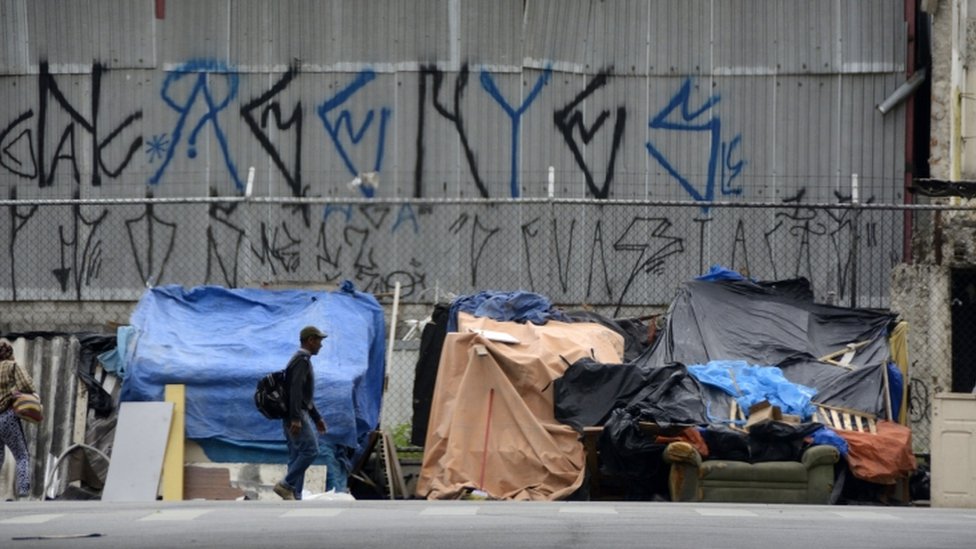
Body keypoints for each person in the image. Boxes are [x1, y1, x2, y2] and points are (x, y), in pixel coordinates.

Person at [273, 326, 328, 500]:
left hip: (294, 413)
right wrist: (296, 418)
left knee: (297, 454)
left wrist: (317, 418)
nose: (321, 345)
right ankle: (286, 485)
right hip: (296, 415)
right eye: (319, 341)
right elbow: (296, 391)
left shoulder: (300, 360)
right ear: (310, 340)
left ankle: (294, 495)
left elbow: (304, 395)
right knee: (310, 451)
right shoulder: (301, 361)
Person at [0, 340, 35, 499]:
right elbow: (28, 386)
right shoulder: (12, 366)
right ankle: (23, 491)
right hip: (7, 416)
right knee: (21, 456)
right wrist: (13, 392)